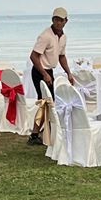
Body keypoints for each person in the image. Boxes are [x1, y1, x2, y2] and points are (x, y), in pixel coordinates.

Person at [27, 7, 74, 145]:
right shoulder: (45, 36)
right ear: (52, 20)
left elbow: (61, 56)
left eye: (61, 20)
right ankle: (35, 134)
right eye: (56, 20)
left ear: (66, 21)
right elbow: (33, 56)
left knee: (49, 103)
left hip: (49, 72)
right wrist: (44, 74)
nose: (58, 22)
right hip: (40, 71)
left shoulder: (63, 37)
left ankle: (45, 132)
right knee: (46, 103)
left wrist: (69, 73)